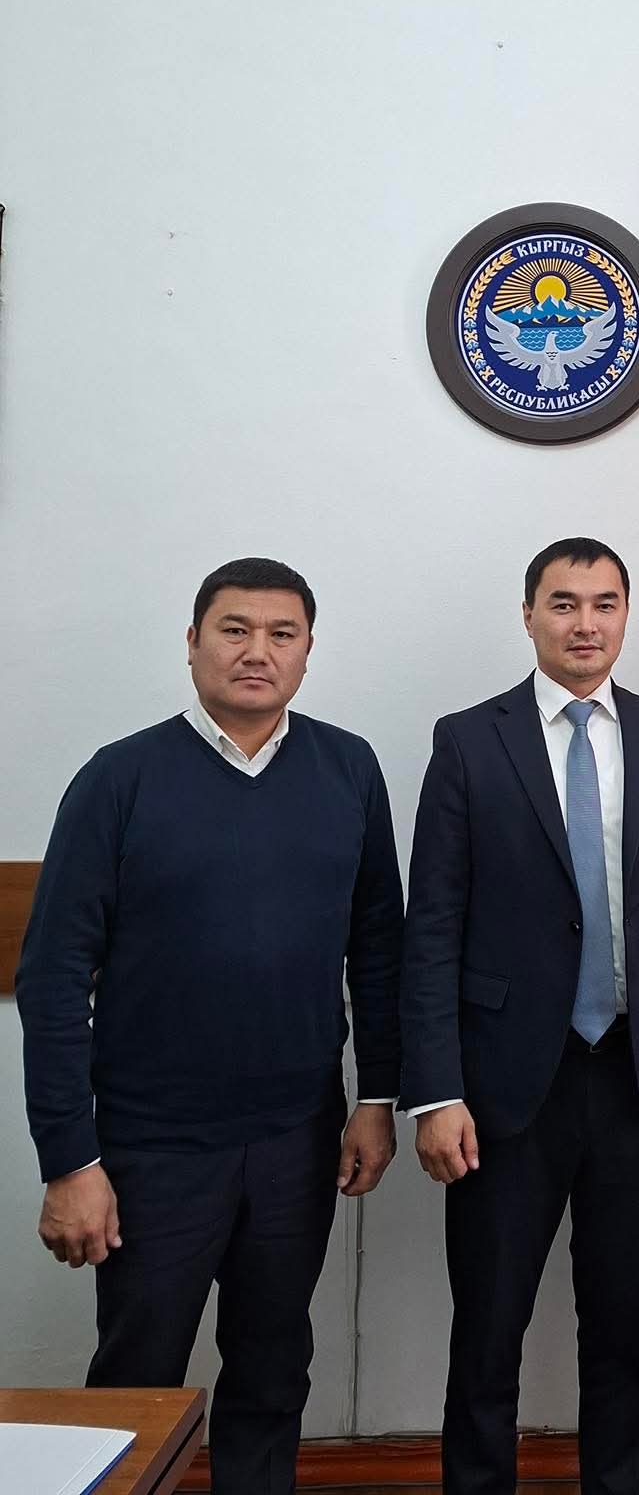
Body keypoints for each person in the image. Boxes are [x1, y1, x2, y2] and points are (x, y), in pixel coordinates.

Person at [17, 556, 403, 1495]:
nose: (256, 651)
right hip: (153, 1149)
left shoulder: (349, 769)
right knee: (134, 1379)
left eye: (281, 634)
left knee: (272, 1373)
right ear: (192, 644)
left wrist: (377, 1098)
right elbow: (53, 977)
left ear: (307, 653)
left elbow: (379, 948)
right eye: (235, 630)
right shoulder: (119, 779)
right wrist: (70, 1160)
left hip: (297, 1140)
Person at [401, 536, 639, 1495]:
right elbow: (432, 928)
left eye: (603, 604)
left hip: (636, 1077)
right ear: (529, 616)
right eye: (563, 604)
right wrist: (436, 1092)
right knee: (488, 1330)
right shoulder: (470, 740)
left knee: (619, 1329)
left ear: (625, 616)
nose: (585, 624)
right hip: (505, 1091)